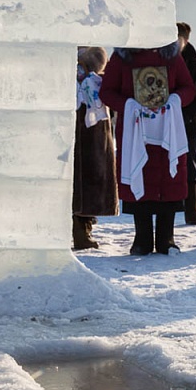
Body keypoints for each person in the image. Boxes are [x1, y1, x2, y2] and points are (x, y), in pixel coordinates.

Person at [99, 42, 195, 255]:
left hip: (167, 127)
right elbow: (106, 91)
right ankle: (142, 236)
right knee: (140, 172)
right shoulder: (122, 58)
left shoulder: (171, 56)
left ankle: (166, 237)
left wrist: (174, 100)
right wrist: (129, 105)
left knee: (167, 177)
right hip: (135, 130)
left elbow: (188, 87)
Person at [73, 46, 118, 250]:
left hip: (92, 118)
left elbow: (100, 60)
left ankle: (83, 223)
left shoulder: (94, 52)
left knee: (91, 170)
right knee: (82, 171)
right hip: (80, 116)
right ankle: (80, 227)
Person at [176, 22, 196, 225]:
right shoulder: (161, 61)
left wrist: (188, 112)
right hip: (161, 120)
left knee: (189, 164)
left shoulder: (195, 65)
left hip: (187, 120)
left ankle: (191, 207)